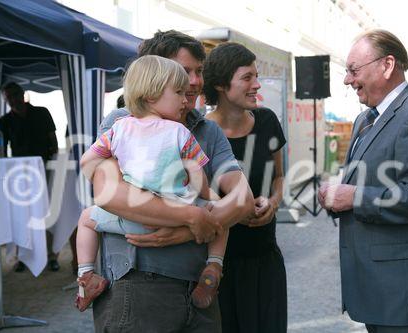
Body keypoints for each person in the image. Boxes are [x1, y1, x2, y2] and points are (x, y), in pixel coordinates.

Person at [90, 30, 254, 333]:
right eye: (183, 71)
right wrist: (191, 217)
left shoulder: (208, 130)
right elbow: (109, 193)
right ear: (153, 77)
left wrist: (184, 232)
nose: (194, 81)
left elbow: (242, 198)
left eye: (198, 71)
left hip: (198, 289)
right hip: (138, 286)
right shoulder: (122, 123)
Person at [318, 29, 408, 333]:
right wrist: (336, 196)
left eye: (354, 70)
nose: (347, 80)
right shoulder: (364, 119)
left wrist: (354, 196)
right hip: (379, 293)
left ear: (387, 65)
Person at [75, 56, 227, 311]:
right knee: (219, 217)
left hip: (131, 221)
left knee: (85, 219)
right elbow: (198, 175)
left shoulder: (118, 129)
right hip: (178, 213)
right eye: (178, 92)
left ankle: (86, 275)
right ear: (151, 95)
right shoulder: (180, 132)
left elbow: (86, 161)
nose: (184, 98)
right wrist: (209, 197)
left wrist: (108, 171)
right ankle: (214, 265)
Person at [203, 42, 287, 333]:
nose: (257, 84)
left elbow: (279, 177)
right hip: (217, 266)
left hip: (265, 259)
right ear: (221, 85)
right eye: (247, 77)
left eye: (256, 76)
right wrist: (235, 211)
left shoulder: (267, 121)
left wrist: (273, 203)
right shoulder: (199, 133)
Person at [0, 82, 60, 272]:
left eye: (16, 94)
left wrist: (54, 164)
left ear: (23, 93)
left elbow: (54, 141)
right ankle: (23, 257)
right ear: (5, 100)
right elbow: (2, 151)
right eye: (9, 97)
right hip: (19, 175)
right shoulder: (5, 121)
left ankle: (52, 256)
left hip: (45, 169)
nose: (14, 99)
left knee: (48, 213)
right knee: (21, 214)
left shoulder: (42, 112)